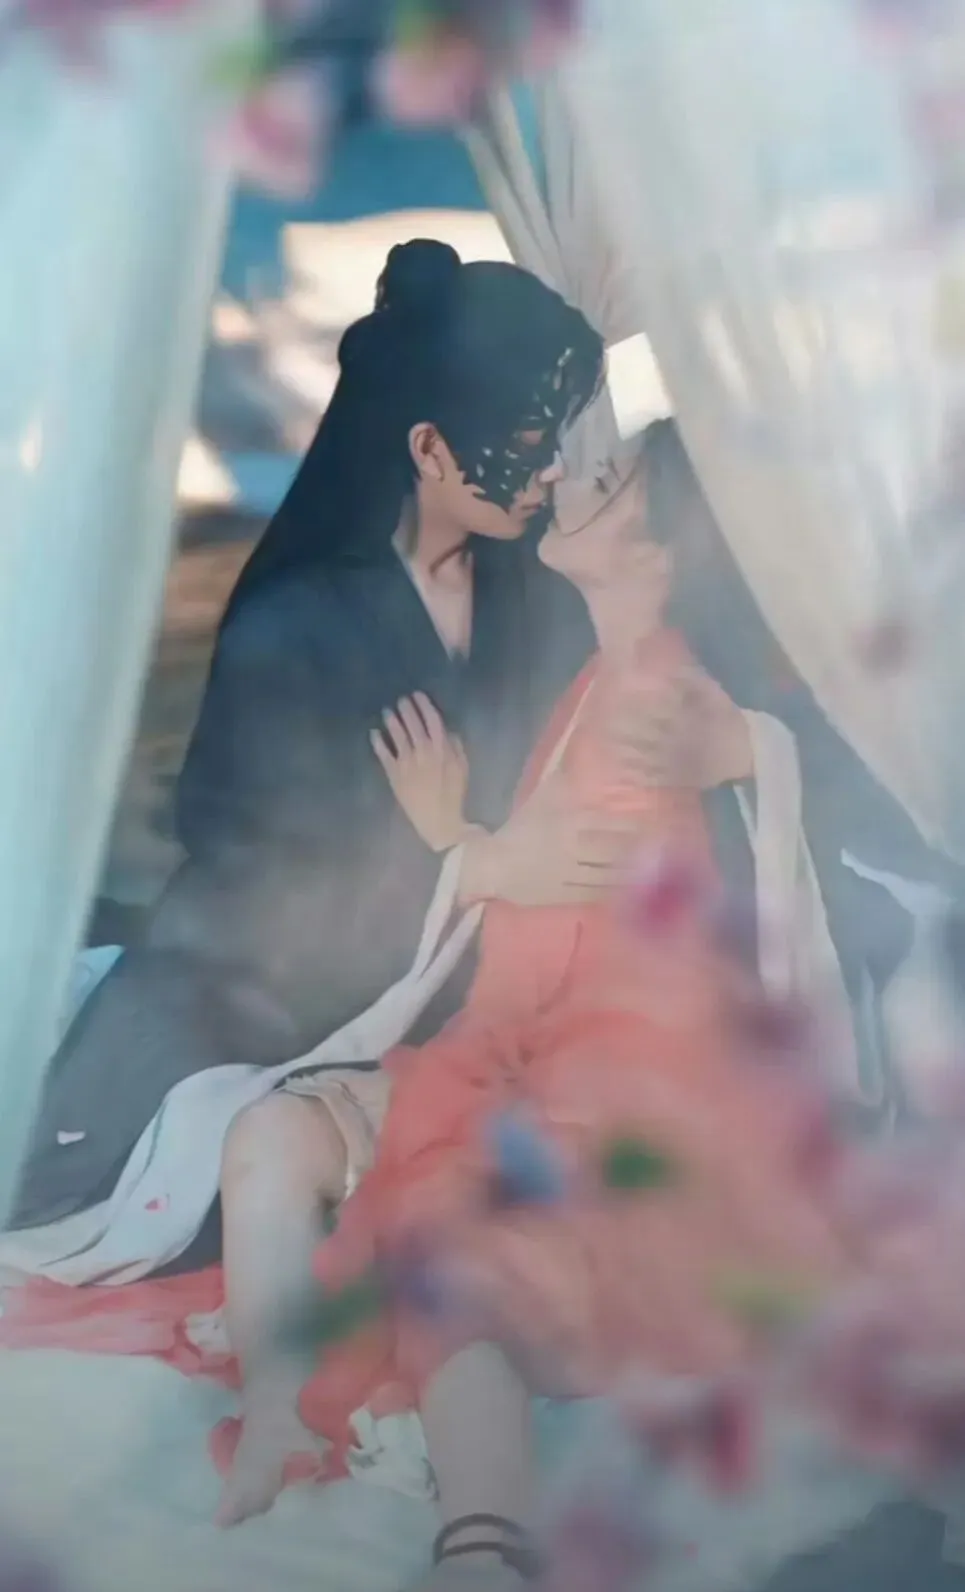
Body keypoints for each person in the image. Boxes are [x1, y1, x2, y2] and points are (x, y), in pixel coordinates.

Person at [10, 240, 612, 1241]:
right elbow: (250, 866)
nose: (551, 466)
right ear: (429, 448)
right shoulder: (295, 623)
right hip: (262, 996)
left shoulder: (537, 587)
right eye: (526, 436)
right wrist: (466, 858)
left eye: (554, 436)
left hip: (471, 983)